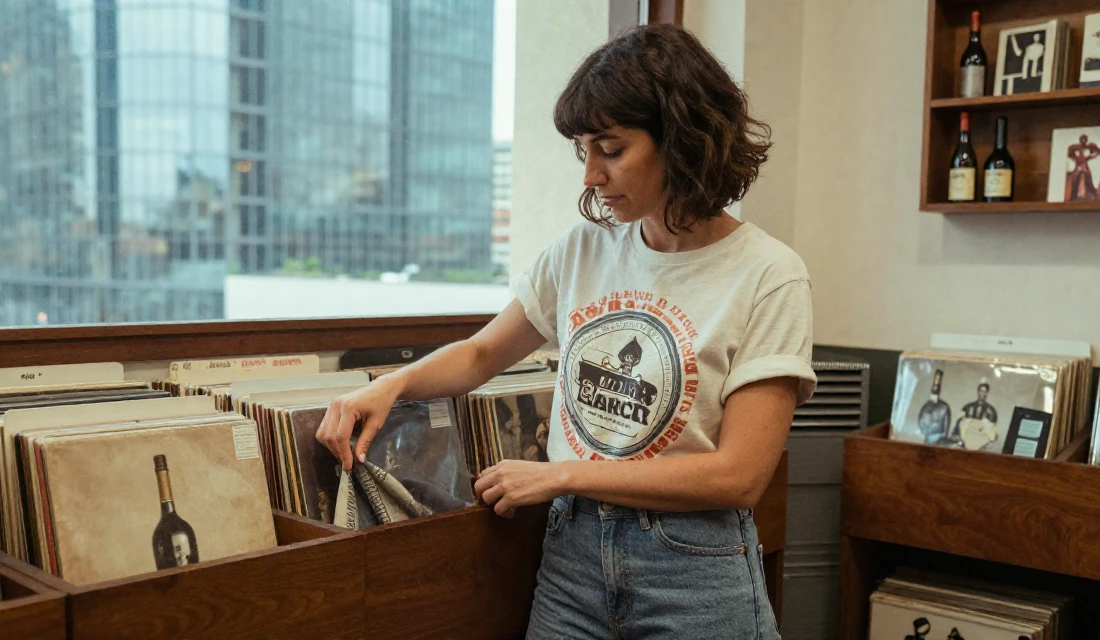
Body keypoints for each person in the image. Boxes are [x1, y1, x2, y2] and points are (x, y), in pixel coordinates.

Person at [316, 24, 815, 638]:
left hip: (694, 571)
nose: (591, 176)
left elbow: (738, 476)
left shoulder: (769, 275)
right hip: (572, 558)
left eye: (611, 148)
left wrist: (559, 475)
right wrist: (390, 385)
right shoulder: (581, 252)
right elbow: (479, 355)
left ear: (684, 139)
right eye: (583, 150)